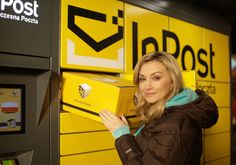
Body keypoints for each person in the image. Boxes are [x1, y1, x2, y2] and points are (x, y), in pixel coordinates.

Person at [99, 51, 218, 165]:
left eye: (156, 78)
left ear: (172, 82)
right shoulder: (167, 111)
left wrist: (122, 136)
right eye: (142, 79)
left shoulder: (173, 126)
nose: (147, 86)